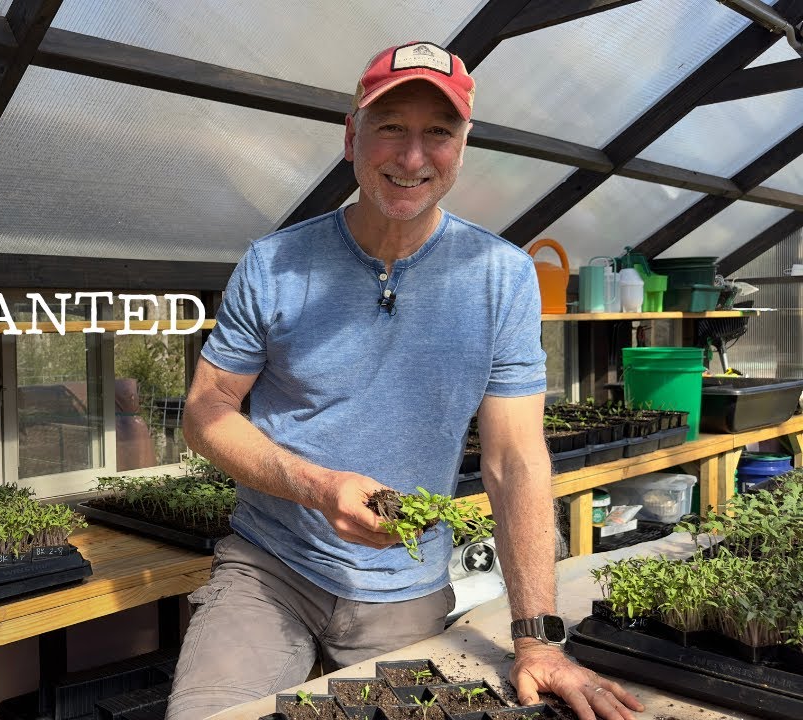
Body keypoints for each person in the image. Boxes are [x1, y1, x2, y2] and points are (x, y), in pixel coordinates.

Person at [165, 42, 645, 720]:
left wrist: (537, 638)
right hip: (271, 567)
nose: (412, 157)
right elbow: (206, 410)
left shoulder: (500, 276)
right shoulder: (275, 265)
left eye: (438, 132)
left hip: (406, 585)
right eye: (390, 127)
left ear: (462, 148)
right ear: (351, 137)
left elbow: (515, 459)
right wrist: (316, 486)